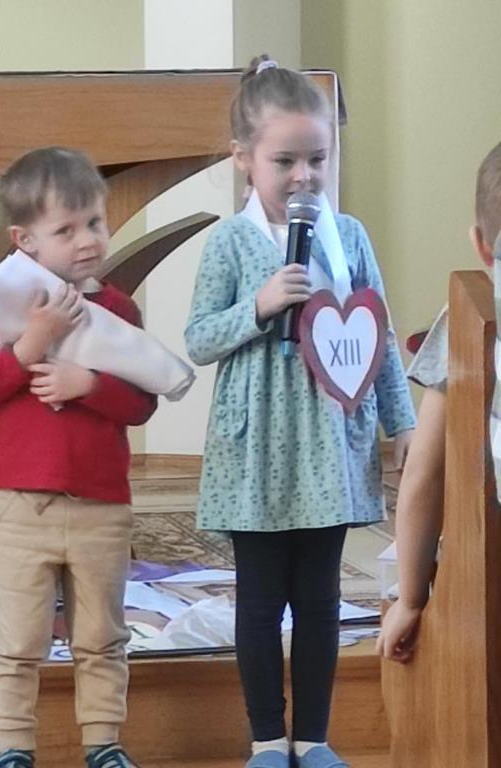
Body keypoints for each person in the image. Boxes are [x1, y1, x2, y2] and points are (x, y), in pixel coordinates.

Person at [184, 56, 415, 768]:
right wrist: (258, 307)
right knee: (260, 602)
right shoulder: (230, 242)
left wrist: (402, 422)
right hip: (256, 449)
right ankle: (265, 739)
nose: (304, 176)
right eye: (284, 161)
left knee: (319, 600)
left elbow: (378, 338)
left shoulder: (350, 235)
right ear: (243, 161)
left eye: (318, 158)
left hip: (328, 445)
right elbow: (198, 338)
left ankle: (313, 737)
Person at [0, 147, 157, 768]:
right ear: (24, 241)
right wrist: (35, 341)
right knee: (17, 636)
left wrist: (89, 384)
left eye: (95, 223)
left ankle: (103, 742)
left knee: (101, 635)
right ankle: (13, 747)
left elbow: (142, 403)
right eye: (66, 229)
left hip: (101, 507)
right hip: (23, 508)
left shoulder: (119, 310)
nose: (87, 240)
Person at [377, 141, 501, 664]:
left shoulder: (469, 322)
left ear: (480, 245)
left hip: (485, 570)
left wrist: (410, 598)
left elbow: (424, 473)